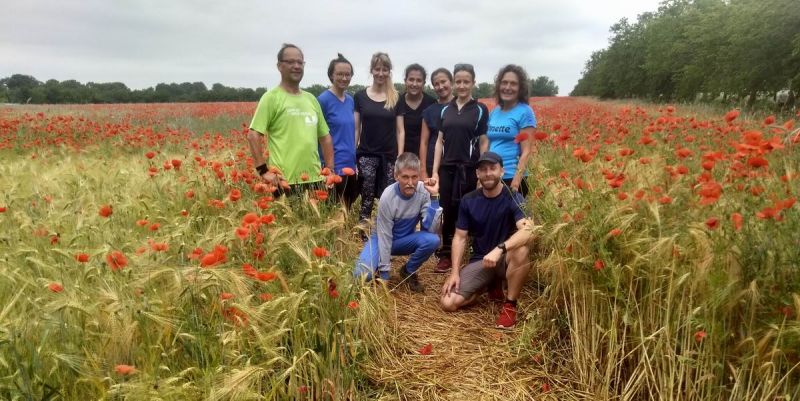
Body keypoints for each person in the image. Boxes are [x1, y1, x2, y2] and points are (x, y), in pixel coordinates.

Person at [440, 151, 534, 329]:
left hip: (506, 258)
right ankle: (488, 285)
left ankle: (510, 306)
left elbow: (529, 229)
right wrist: (454, 273)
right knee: (448, 302)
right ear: (477, 174)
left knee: (522, 250)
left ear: (502, 171)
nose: (488, 173)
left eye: (492, 168)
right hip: (481, 261)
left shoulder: (513, 197)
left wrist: (500, 249)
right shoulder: (469, 200)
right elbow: (460, 237)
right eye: (483, 169)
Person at [248, 43, 335, 194]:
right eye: (291, 62)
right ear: (279, 66)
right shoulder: (271, 98)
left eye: (300, 62)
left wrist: (330, 170)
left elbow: (325, 137)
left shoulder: (311, 99)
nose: (296, 66)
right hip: (284, 181)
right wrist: (263, 171)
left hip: (315, 179)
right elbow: (253, 135)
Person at [353, 153, 442, 292]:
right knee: (361, 275)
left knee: (433, 240)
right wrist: (385, 274)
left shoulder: (424, 192)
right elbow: (385, 236)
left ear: (419, 176)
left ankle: (408, 271)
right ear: (396, 176)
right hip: (381, 239)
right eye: (405, 177)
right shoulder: (388, 196)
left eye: (414, 177)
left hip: (403, 241)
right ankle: (375, 266)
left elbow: (429, 229)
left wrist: (434, 198)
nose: (410, 182)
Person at [430, 63, 489, 273]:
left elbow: (483, 141)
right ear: (454, 83)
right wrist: (435, 171)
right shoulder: (446, 109)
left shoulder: (480, 110)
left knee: (470, 209)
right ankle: (446, 253)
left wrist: (482, 170)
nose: (462, 86)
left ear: (473, 83)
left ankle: (473, 252)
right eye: (458, 81)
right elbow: (439, 142)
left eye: (466, 81)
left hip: (469, 168)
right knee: (448, 210)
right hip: (448, 169)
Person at [354, 52, 400, 224]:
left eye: (385, 69)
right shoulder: (360, 96)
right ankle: (363, 231)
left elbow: (400, 130)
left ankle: (386, 229)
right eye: (378, 69)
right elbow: (356, 128)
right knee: (366, 196)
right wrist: (354, 154)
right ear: (372, 70)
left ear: (389, 72)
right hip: (367, 154)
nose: (381, 73)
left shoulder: (395, 97)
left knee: (387, 197)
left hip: (389, 156)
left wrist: (399, 157)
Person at [487, 65, 536, 197]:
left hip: (511, 177)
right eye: (504, 83)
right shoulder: (494, 112)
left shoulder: (525, 112)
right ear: (499, 86)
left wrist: (516, 181)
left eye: (513, 84)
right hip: (491, 177)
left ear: (520, 88)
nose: (508, 87)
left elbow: (526, 151)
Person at [318, 53, 358, 208]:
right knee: (333, 213)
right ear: (331, 75)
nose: (344, 78)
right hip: (332, 167)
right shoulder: (323, 100)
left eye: (348, 74)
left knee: (347, 211)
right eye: (340, 74)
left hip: (350, 166)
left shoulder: (350, 100)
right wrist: (326, 168)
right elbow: (318, 136)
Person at [396, 64, 436, 158]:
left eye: (419, 80)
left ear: (424, 83)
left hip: (425, 157)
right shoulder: (397, 101)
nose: (414, 84)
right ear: (405, 81)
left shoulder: (431, 103)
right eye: (411, 79)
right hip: (401, 156)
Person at [419, 68, 454, 178]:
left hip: (457, 163)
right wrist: (423, 170)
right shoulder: (429, 111)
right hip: (433, 164)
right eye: (436, 84)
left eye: (443, 82)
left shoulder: (464, 106)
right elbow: (424, 142)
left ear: (451, 81)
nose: (440, 86)